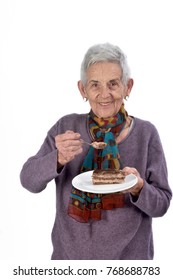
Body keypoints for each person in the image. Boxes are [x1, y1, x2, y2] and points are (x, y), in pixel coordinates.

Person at [20, 42, 172, 260]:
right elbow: (28, 180)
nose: (104, 94)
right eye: (94, 85)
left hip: (129, 265)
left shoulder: (146, 134)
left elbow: (162, 205)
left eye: (113, 84)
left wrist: (139, 187)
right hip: (70, 264)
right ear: (83, 90)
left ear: (128, 87)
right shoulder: (66, 127)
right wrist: (58, 158)